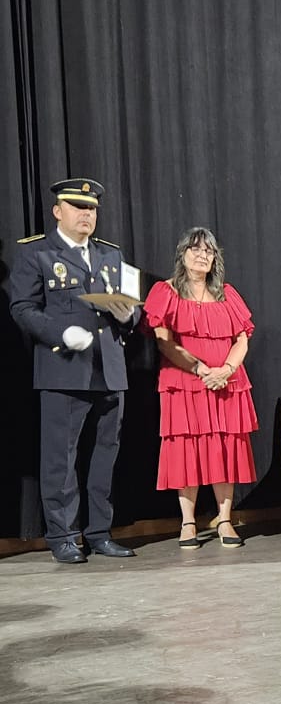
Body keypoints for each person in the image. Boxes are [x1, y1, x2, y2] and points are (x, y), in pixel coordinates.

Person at [9, 177, 139, 563]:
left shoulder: (109, 255)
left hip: (109, 368)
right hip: (63, 367)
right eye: (78, 207)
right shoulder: (38, 254)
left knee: (105, 456)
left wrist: (129, 314)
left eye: (92, 208)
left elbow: (130, 312)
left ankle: (99, 532)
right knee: (60, 459)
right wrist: (61, 331)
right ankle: (63, 535)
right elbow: (22, 308)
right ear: (58, 211)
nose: (86, 214)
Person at [143, 228, 257, 549]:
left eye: (208, 251)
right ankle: (189, 521)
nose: (202, 255)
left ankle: (224, 520)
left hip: (226, 382)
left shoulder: (227, 293)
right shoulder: (166, 292)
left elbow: (242, 339)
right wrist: (198, 368)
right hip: (184, 382)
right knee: (187, 449)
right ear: (182, 254)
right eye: (195, 249)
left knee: (224, 447)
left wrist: (226, 370)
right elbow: (163, 342)